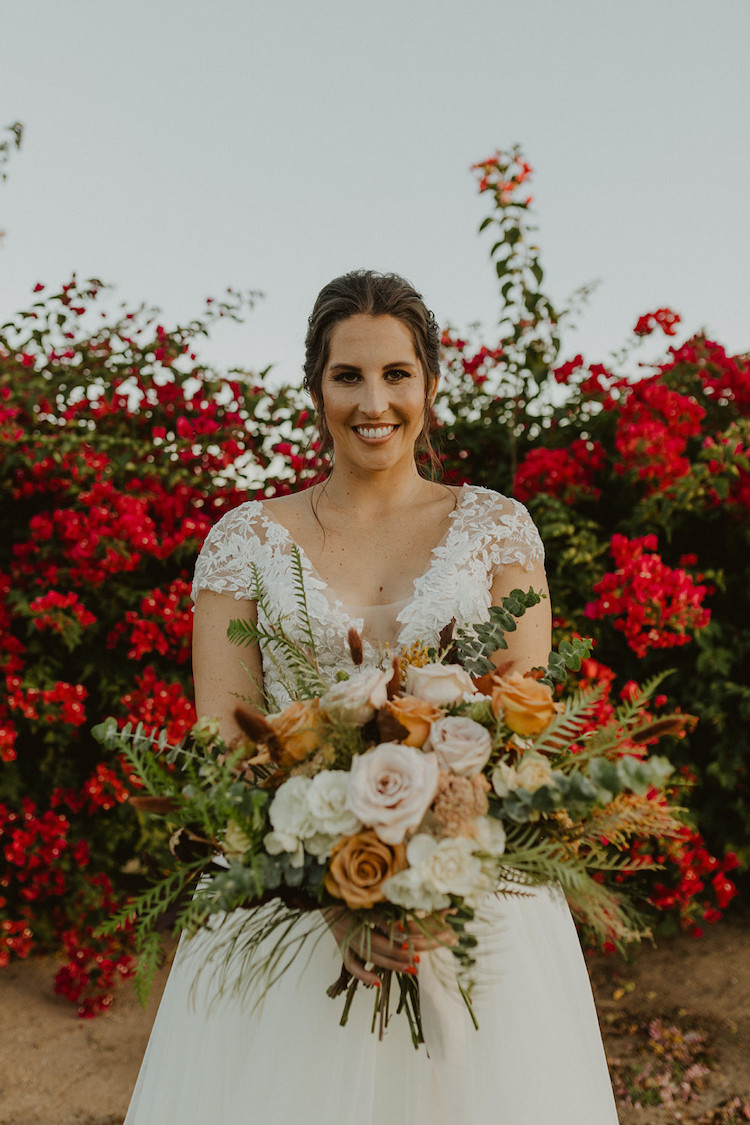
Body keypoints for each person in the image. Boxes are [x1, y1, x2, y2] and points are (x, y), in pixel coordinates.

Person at [123, 270, 619, 1124]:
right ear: (315, 384)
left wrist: (431, 877)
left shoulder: (497, 528)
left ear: (430, 381)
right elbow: (225, 739)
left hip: (471, 898)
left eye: (396, 373)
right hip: (288, 904)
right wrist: (332, 895)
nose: (373, 401)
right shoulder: (246, 540)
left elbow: (522, 722)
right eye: (347, 375)